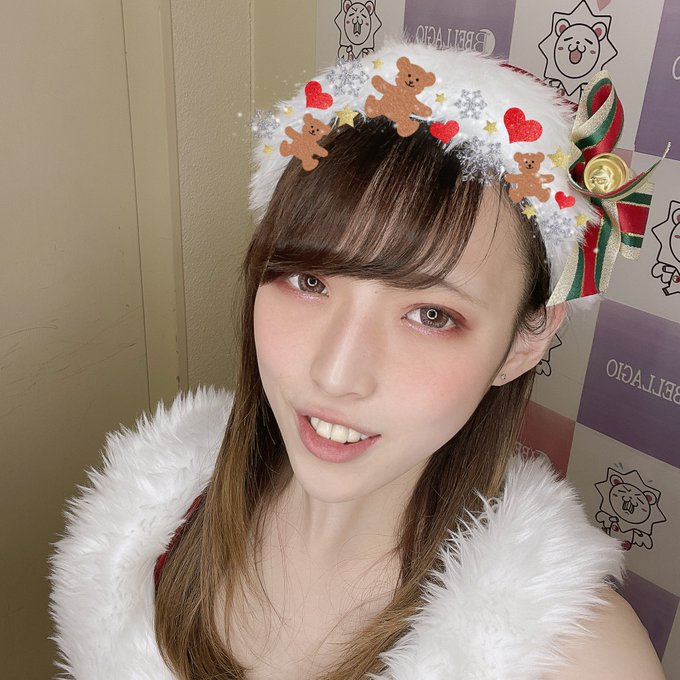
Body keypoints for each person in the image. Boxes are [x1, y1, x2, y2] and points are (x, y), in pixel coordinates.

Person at [49, 41, 666, 679]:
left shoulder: (584, 659)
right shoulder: (142, 525)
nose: (336, 374)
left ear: (524, 342)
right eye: (310, 281)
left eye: (431, 316)